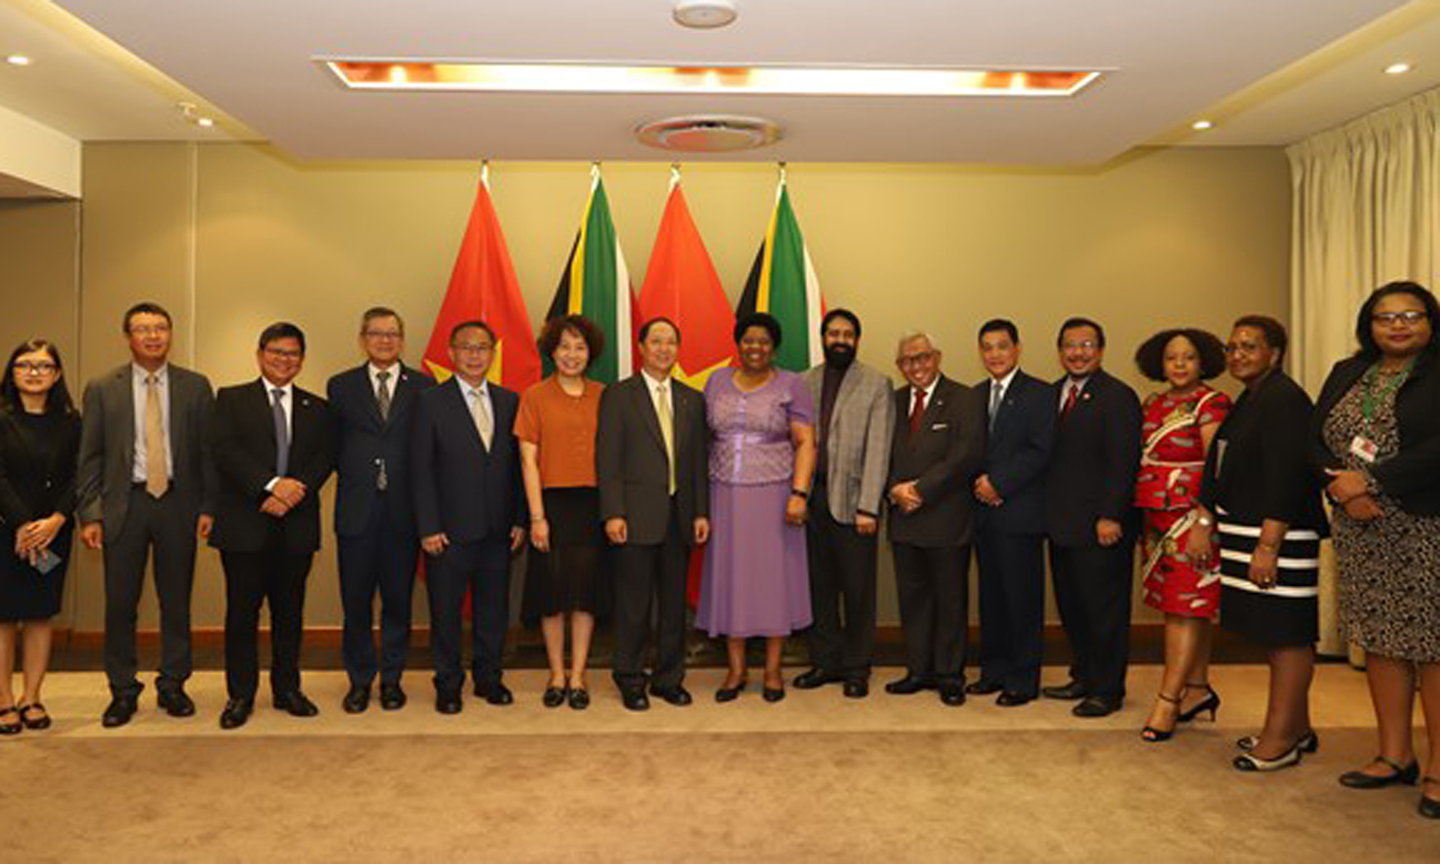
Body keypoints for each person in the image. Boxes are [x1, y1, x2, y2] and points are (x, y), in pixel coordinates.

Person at [1314, 281, 1440, 818]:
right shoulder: (1348, 372)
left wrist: (1372, 482)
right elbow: (1313, 437)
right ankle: (1394, 755)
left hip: (1423, 524)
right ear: (1369, 324)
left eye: (1412, 315)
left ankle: (1439, 770)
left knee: (1433, 648)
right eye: (1385, 317)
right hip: (1360, 530)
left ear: (1431, 322)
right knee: (1381, 639)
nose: (1398, 325)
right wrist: (1338, 486)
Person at [1192, 315, 1325, 771]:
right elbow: (1222, 465)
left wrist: (1268, 546)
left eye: (1249, 347)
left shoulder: (1285, 400)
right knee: (1273, 635)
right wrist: (1208, 519)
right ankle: (1297, 727)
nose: (1237, 355)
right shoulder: (1252, 399)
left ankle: (1280, 738)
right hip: (1246, 531)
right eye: (1232, 348)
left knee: (1287, 636)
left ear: (1276, 353)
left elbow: (1289, 476)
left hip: (1278, 535)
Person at [76, 302, 215, 728]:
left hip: (178, 503)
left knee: (176, 602)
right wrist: (90, 514)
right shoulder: (103, 387)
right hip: (125, 504)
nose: (153, 336)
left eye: (160, 328)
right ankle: (122, 690)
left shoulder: (195, 386)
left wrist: (208, 506)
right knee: (120, 604)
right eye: (142, 329)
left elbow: (208, 453)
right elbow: (90, 457)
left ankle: (173, 684)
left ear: (170, 334)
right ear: (128, 336)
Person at [209, 322, 335, 730]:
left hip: (295, 527)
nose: (285, 360)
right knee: (242, 615)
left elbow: (325, 456)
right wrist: (270, 486)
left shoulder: (317, 407)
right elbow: (224, 450)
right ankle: (240, 695)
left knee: (290, 614)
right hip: (245, 525)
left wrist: (294, 492)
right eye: (277, 352)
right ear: (261, 354)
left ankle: (287, 690)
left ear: (302, 360)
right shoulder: (231, 399)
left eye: (293, 354)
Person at [695, 312, 816, 703]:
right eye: (748, 340)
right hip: (724, 494)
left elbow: (806, 442)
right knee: (732, 578)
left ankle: (773, 669)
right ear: (738, 343)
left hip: (775, 495)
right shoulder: (714, 382)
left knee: (772, 580)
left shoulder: (791, 384)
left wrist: (799, 493)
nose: (755, 347)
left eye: (764, 341)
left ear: (774, 347)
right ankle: (735, 670)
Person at [411, 320, 526, 715]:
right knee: (445, 613)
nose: (475, 355)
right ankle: (447, 683)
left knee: (493, 611)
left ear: (492, 354)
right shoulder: (430, 401)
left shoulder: (510, 400)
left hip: (498, 530)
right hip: (448, 532)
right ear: (452, 353)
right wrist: (428, 526)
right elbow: (420, 468)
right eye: (467, 348)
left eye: (482, 348)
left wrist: (520, 519)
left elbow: (516, 468)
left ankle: (489, 678)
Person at [597, 317, 710, 711]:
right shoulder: (618, 396)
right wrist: (613, 513)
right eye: (656, 341)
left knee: (674, 607)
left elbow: (697, 463)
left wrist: (701, 512)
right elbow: (607, 461)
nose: (664, 349)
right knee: (633, 606)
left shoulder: (691, 399)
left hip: (679, 519)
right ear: (641, 347)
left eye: (671, 342)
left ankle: (668, 678)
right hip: (634, 518)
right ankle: (630, 679)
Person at [326, 307, 432, 713]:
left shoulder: (422, 386)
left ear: (402, 340)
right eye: (376, 334)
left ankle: (391, 680)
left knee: (397, 602)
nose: (384, 341)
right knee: (355, 603)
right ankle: (358, 681)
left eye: (392, 334)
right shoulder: (341, 386)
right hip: (357, 511)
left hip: (404, 514)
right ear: (362, 338)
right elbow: (332, 446)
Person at [1131, 328, 1232, 741]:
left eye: (1188, 357)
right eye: (1172, 357)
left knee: (1184, 608)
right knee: (1189, 608)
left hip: (1193, 520)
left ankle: (1168, 700)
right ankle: (1197, 688)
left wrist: (1205, 525)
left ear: (1203, 361)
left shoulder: (1212, 403)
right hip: (1156, 518)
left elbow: (1217, 469)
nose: (1179, 365)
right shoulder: (1153, 403)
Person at [1043, 317, 1142, 718]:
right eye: (1070, 345)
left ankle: (1108, 689)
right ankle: (1083, 675)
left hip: (1101, 526)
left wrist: (1111, 515)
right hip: (1061, 524)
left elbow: (1124, 462)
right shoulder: (1052, 394)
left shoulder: (1118, 396)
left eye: (1086, 345)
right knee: (1073, 607)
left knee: (1105, 610)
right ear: (1060, 351)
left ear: (1100, 351)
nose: (1077, 352)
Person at [794, 309, 894, 699]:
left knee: (857, 590)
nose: (840, 339)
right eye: (833, 333)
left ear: (857, 339)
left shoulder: (876, 383)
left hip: (854, 505)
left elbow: (879, 448)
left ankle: (856, 667)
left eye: (847, 334)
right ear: (823, 338)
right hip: (812, 500)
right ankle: (826, 662)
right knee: (819, 587)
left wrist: (869, 506)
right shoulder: (805, 381)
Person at [886, 331, 986, 707]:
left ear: (937, 357)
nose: (917, 366)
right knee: (913, 600)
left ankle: (949, 675)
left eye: (923, 357)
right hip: (904, 520)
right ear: (899, 366)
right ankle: (918, 671)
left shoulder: (964, 398)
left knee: (949, 600)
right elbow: (879, 452)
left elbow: (966, 456)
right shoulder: (892, 401)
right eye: (908, 360)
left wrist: (920, 490)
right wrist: (894, 490)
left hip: (946, 518)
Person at [516, 315, 608, 710]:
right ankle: (556, 673)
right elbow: (527, 459)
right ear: (552, 351)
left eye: (580, 347)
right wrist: (537, 517)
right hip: (550, 505)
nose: (572, 355)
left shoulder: (606, 395)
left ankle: (579, 674)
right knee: (551, 595)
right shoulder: (535, 396)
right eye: (564, 347)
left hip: (593, 505)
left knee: (586, 593)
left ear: (591, 353)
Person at [969, 319, 1056, 707]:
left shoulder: (1040, 394)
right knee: (992, 598)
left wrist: (998, 485)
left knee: (1022, 598)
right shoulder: (974, 396)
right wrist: (980, 485)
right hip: (983, 515)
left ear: (1017, 348)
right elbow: (967, 452)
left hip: (1019, 513)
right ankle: (994, 671)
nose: (995, 354)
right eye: (987, 348)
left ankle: (1023, 678)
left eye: (1002, 346)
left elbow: (1040, 451)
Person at [0, 340, 81, 735]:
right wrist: (21, 524)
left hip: (53, 533)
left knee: (39, 614)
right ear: (12, 372)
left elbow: (79, 475)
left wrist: (56, 520)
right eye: (25, 365)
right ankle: (3, 700)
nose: (34, 372)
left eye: (44, 366)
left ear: (57, 374)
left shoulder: (71, 421)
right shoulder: (1, 418)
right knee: (3, 618)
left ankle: (32, 696)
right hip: (5, 531)